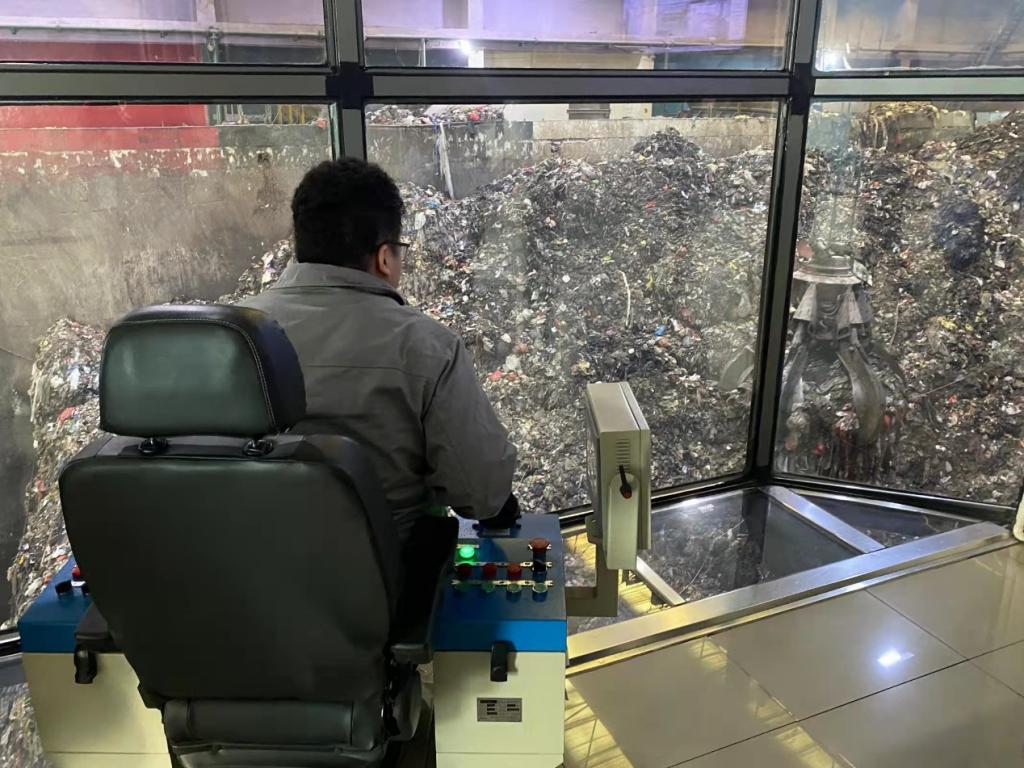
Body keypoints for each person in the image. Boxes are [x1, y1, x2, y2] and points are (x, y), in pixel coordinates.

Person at [241, 158, 519, 542]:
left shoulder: (234, 335)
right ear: (385, 257)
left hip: (248, 566)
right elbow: (482, 494)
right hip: (387, 573)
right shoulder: (427, 347)